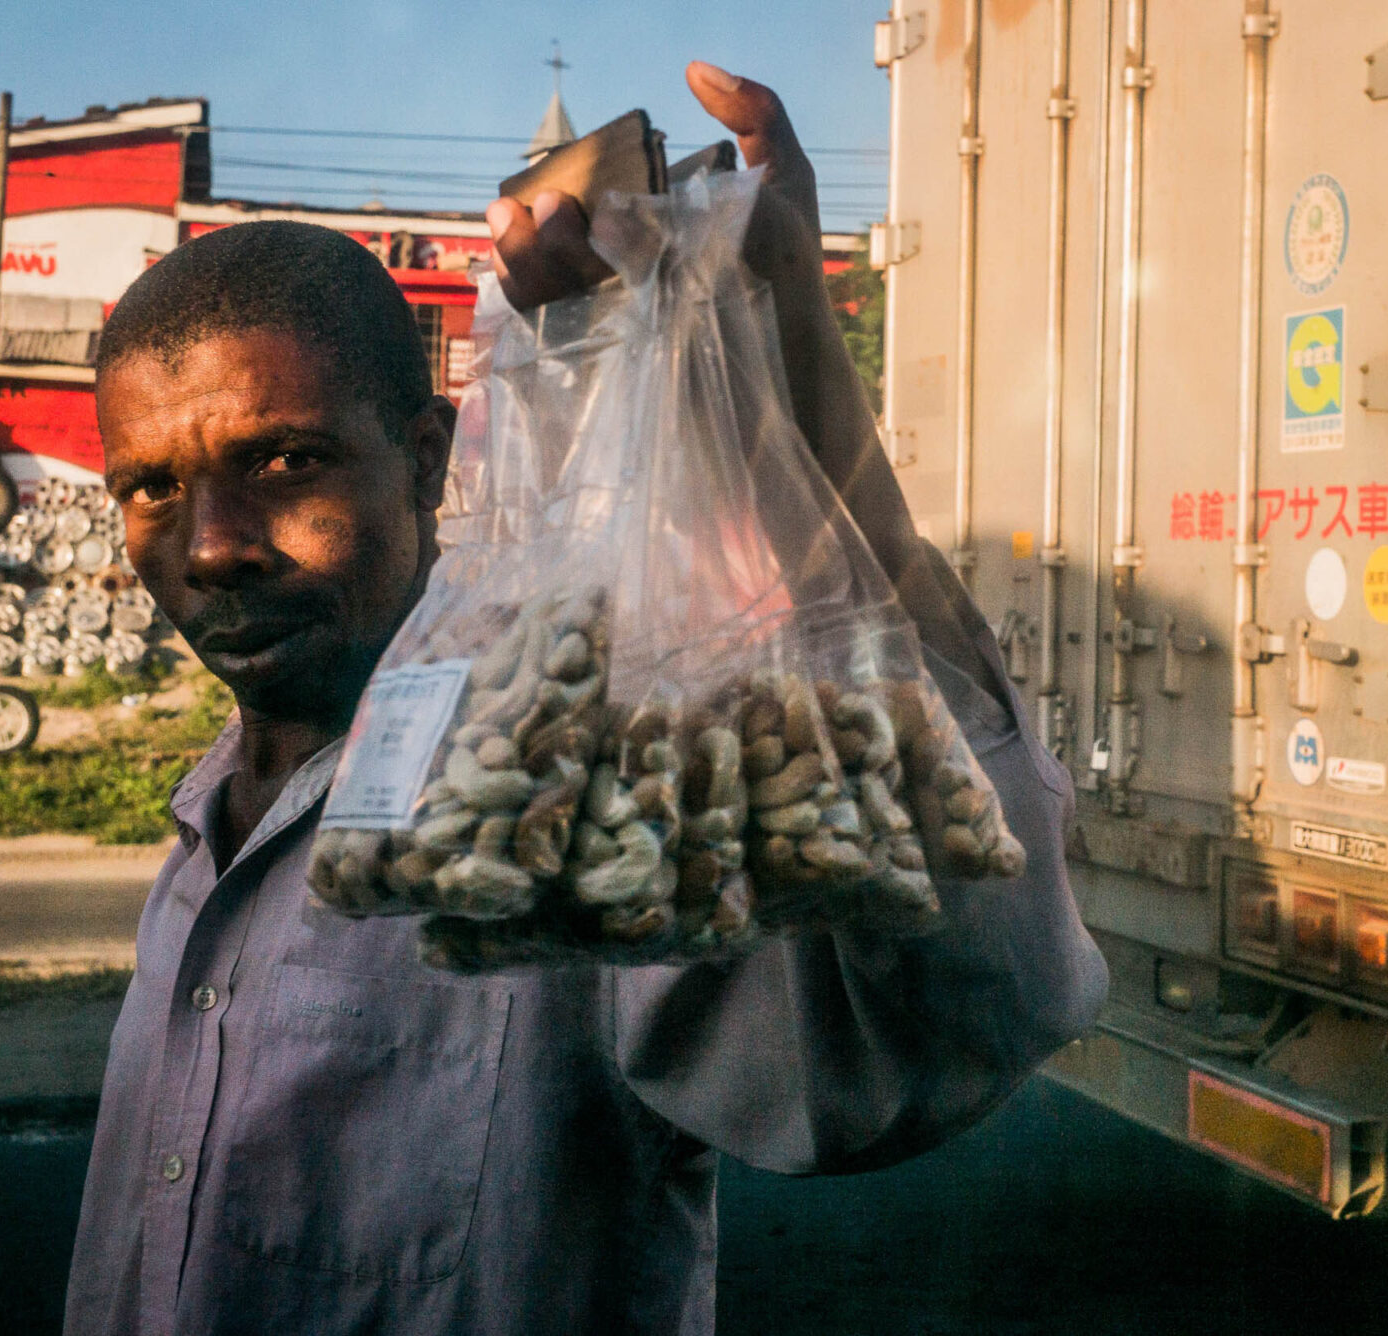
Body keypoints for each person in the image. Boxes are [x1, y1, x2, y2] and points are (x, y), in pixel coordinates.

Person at [64, 63, 1106, 1336]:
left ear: (429, 458)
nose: (213, 541)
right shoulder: (198, 847)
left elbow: (967, 1010)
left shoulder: (557, 833)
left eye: (285, 460)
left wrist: (778, 363)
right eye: (152, 488)